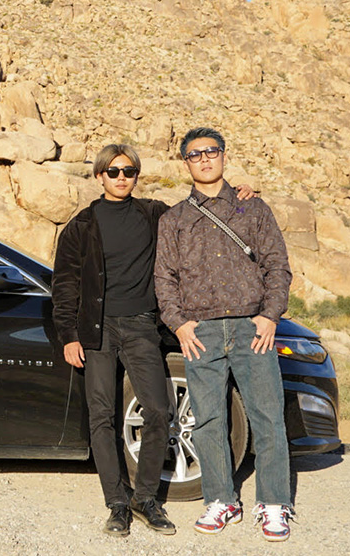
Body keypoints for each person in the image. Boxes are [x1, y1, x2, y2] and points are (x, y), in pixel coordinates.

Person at [154, 127, 295, 542]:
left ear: (223, 156)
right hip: (202, 333)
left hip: (254, 328)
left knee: (268, 417)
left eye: (210, 152)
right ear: (185, 163)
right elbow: (165, 277)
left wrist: (270, 315)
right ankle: (221, 499)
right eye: (195, 154)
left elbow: (277, 265)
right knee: (209, 420)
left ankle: (273, 504)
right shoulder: (173, 219)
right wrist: (178, 323)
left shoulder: (254, 209)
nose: (204, 159)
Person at [52, 144, 177, 537]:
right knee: (102, 416)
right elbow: (65, 285)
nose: (122, 178)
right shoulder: (82, 226)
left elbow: (198, 218)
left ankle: (146, 498)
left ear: (137, 175)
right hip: (97, 330)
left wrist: (238, 194)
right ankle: (117, 504)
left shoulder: (154, 214)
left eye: (129, 171)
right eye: (113, 171)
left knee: (158, 410)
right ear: (99, 176)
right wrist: (69, 336)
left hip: (142, 327)